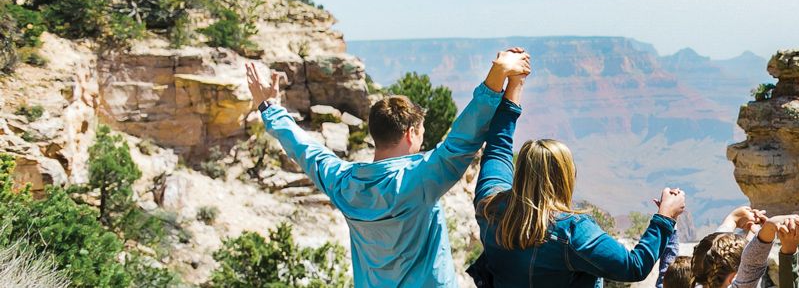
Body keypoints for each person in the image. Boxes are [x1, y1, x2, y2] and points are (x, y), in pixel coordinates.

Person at [246, 48, 530, 287]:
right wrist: (498, 77)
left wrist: (268, 107)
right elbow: (461, 141)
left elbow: (304, 148)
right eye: (421, 131)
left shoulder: (343, 183)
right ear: (410, 133)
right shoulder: (420, 179)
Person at [466, 70, 686, 286]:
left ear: (521, 170)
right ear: (565, 178)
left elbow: (497, 148)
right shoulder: (571, 231)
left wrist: (515, 82)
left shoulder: (490, 206)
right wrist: (665, 217)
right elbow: (634, 266)